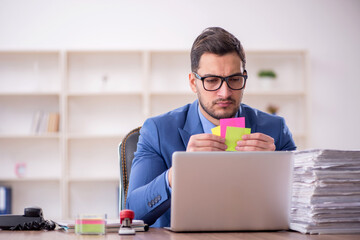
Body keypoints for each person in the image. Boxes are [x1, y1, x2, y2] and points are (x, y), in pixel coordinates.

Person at [126, 27, 296, 227]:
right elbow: (132, 213)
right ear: (193, 83)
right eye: (212, 81)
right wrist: (177, 174)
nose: (224, 93)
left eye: (234, 79)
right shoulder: (157, 130)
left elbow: (307, 205)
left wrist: (275, 169)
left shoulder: (275, 129)